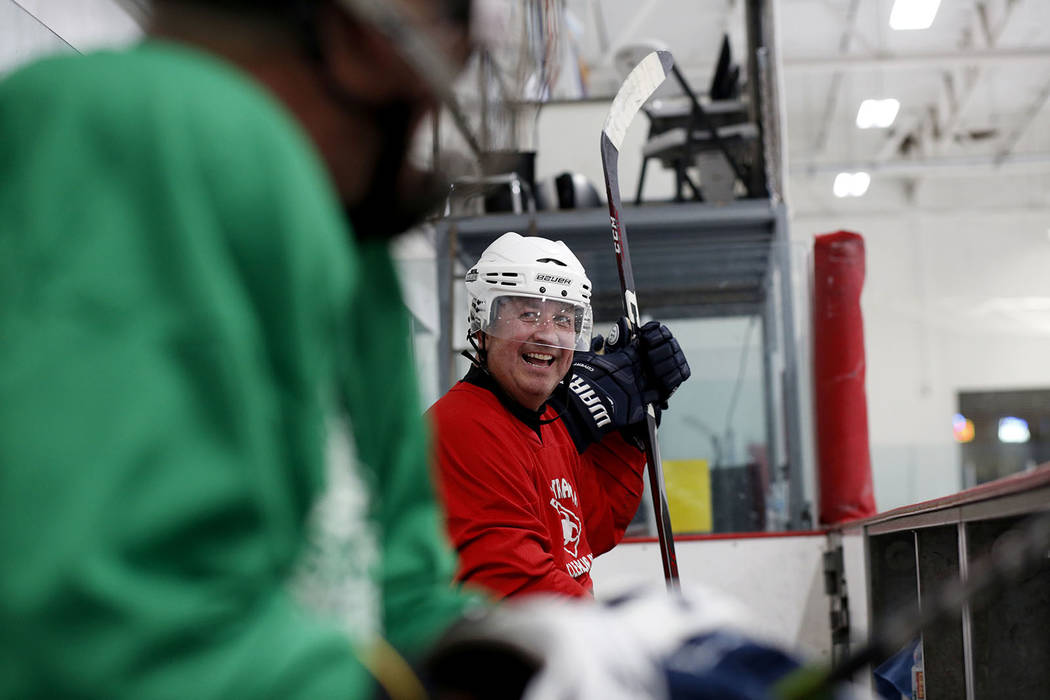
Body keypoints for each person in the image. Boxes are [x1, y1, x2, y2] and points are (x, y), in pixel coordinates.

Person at [0, 1, 478, 697]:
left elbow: (398, 592)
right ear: (360, 43)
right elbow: (105, 640)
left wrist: (503, 656)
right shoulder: (134, 128)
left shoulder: (349, 241)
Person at [428, 231, 691, 599]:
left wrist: (629, 433)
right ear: (483, 323)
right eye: (528, 314)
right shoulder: (463, 428)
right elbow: (517, 586)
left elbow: (589, 534)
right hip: (515, 648)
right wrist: (622, 639)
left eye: (564, 319)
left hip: (559, 643)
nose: (547, 335)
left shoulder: (547, 424)